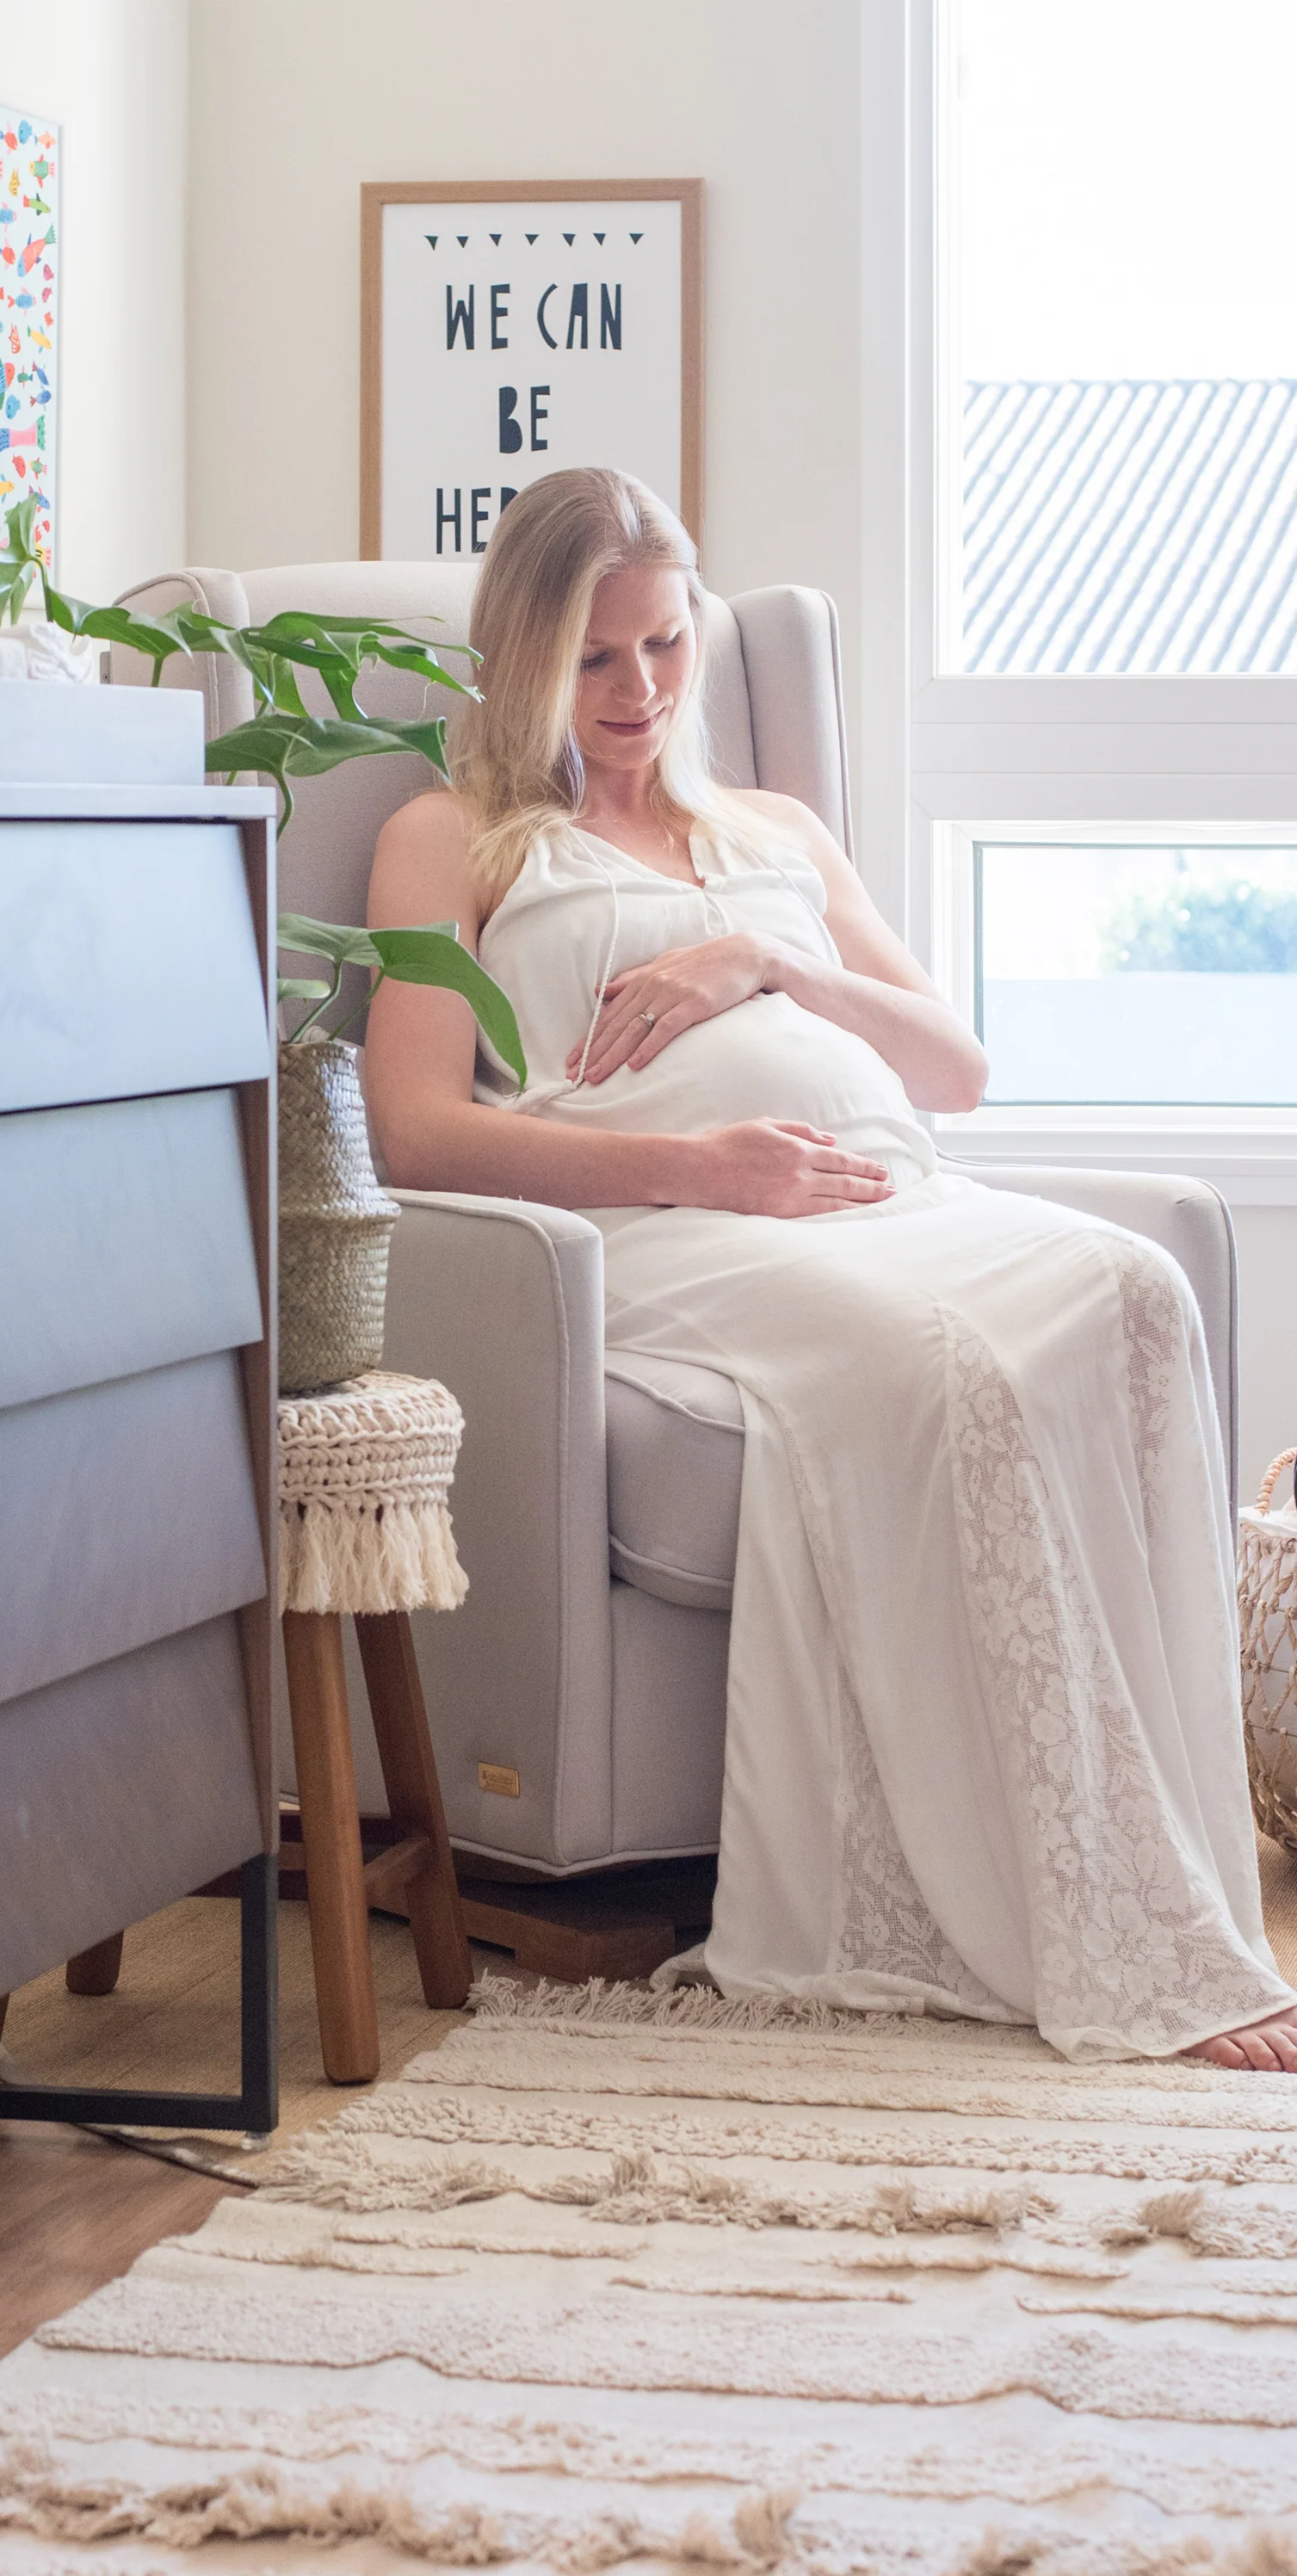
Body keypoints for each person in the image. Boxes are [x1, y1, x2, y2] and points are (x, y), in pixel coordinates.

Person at [363, 466, 1297, 2068]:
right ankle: (1080, 1918)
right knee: (950, 1368)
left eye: (665, 646)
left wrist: (772, 955)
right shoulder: (457, 841)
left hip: (888, 1194)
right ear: (524, 659)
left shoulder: (774, 835)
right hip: (661, 1240)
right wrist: (698, 1166)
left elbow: (958, 1067)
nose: (642, 691)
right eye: (596, 661)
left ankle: (1179, 1876)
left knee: (1141, 1295)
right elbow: (416, 1131)